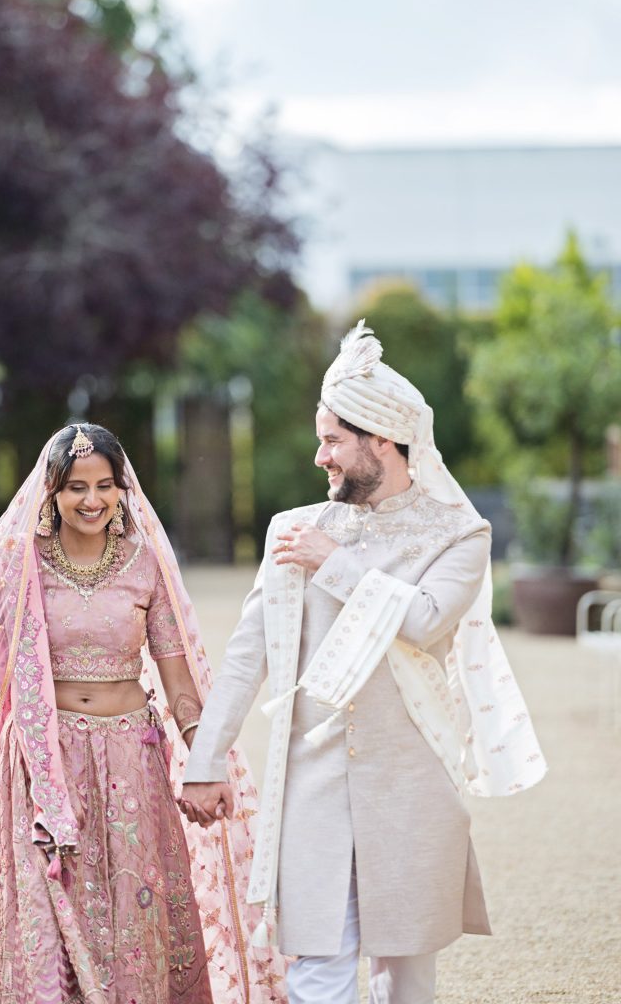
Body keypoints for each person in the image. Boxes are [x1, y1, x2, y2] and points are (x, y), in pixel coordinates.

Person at [0, 422, 287, 1004]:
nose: (92, 500)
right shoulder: (20, 565)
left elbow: (177, 677)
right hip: (42, 764)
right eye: (76, 487)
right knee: (47, 925)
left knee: (135, 923)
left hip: (132, 759)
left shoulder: (143, 564)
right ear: (51, 493)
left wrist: (205, 760)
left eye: (106, 486)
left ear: (122, 490)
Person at [180, 323, 547, 1004]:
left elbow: (428, 618)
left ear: (382, 441)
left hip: (412, 790)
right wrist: (205, 760)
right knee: (316, 979)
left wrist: (335, 563)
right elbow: (246, 655)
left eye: (333, 440)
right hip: (311, 788)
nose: (320, 456)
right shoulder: (293, 528)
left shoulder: (460, 535)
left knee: (405, 985)